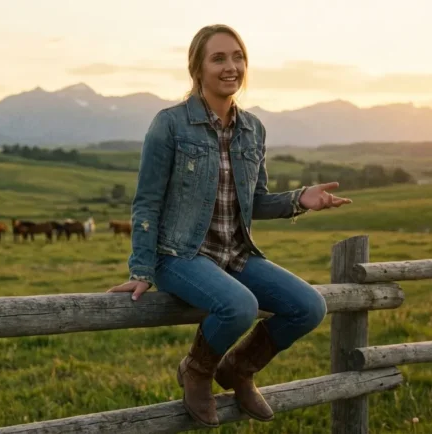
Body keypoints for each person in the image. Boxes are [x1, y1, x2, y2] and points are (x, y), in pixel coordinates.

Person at [106, 24, 352, 427]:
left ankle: (239, 368)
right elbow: (147, 201)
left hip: (235, 254)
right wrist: (141, 270)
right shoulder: (169, 125)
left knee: (309, 307)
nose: (231, 66)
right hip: (180, 255)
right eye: (218, 58)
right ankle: (197, 370)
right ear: (197, 68)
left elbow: (253, 202)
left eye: (238, 57)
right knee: (239, 306)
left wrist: (299, 199)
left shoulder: (253, 129)